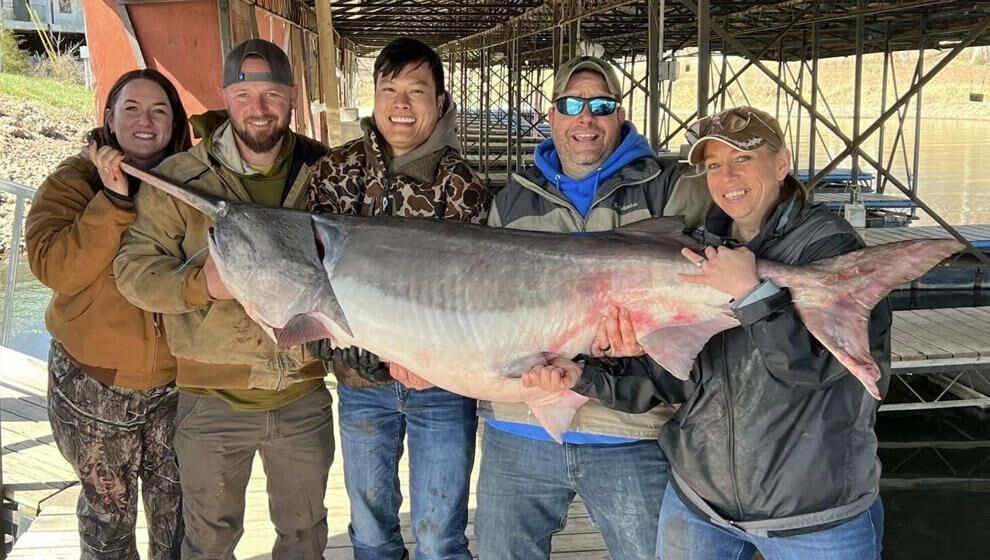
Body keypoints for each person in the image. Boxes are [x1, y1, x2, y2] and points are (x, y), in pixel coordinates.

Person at [522, 106, 890, 560]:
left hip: (813, 513)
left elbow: (815, 371)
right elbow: (675, 377)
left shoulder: (829, 252)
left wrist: (753, 293)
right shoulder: (697, 252)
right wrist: (583, 377)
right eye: (714, 165)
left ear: (782, 163)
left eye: (743, 159)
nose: (727, 176)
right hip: (700, 501)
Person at [475, 54, 711, 560]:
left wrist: (645, 334)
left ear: (620, 115)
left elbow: (718, 273)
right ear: (552, 113)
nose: (587, 117)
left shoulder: (671, 186)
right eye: (573, 103)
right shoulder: (511, 204)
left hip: (630, 428)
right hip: (521, 424)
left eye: (602, 104)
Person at [113, 39, 333, 560]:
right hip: (210, 403)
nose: (258, 109)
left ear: (293, 97)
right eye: (245, 94)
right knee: (209, 542)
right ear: (225, 96)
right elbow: (133, 271)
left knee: (305, 538)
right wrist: (202, 286)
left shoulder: (325, 172)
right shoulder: (181, 179)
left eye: (272, 94)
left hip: (301, 395)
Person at [307, 38, 490, 560]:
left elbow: (476, 299)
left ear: (440, 101)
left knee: (440, 535)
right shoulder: (335, 172)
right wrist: (345, 351)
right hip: (361, 380)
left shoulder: (465, 186)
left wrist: (435, 360)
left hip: (441, 384)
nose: (402, 104)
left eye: (416, 90)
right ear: (374, 96)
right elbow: (307, 278)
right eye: (390, 89)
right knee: (370, 529)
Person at [25, 68, 190, 560]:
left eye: (159, 110)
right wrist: (113, 199)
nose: (146, 121)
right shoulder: (71, 182)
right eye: (132, 109)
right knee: (107, 522)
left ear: (174, 122)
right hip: (95, 386)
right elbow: (55, 268)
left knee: (180, 516)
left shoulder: (190, 181)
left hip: (177, 386)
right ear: (109, 119)